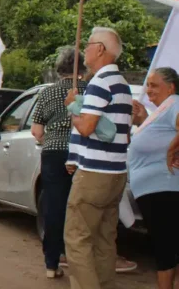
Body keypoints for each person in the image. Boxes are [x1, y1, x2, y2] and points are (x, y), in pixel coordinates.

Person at [63, 27, 132, 289]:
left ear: (100, 49)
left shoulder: (100, 82)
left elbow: (87, 127)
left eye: (89, 45)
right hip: (115, 174)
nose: (85, 51)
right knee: (105, 240)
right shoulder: (122, 84)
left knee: (77, 239)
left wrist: (72, 105)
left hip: (94, 174)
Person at [30, 46, 88, 279]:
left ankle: (51, 263)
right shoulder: (90, 90)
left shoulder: (47, 93)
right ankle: (81, 262)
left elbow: (36, 130)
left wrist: (51, 140)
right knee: (81, 208)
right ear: (82, 67)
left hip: (53, 154)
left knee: (54, 207)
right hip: (83, 154)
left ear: (58, 68)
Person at [127, 67, 179, 289]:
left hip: (164, 188)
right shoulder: (163, 109)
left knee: (166, 250)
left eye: (154, 85)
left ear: (171, 87)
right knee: (170, 249)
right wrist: (143, 121)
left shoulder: (175, 102)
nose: (148, 90)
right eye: (147, 85)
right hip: (156, 189)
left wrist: (171, 150)